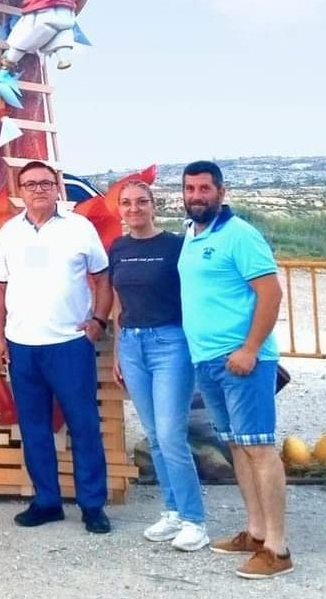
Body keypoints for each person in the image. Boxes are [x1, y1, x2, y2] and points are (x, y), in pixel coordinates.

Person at [177, 160, 293, 579]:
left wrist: (250, 348)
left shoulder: (240, 235)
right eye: (190, 189)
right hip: (208, 362)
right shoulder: (192, 236)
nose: (196, 196)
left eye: (205, 189)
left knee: (259, 447)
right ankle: (256, 532)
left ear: (221, 192)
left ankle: (278, 550)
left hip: (244, 361)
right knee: (238, 447)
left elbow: (270, 293)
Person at [0, 160, 113, 533]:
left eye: (45, 183)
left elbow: (103, 277)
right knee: (35, 427)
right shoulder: (10, 232)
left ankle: (92, 506)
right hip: (23, 346)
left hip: (70, 345)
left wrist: (99, 321)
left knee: (84, 425)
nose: (38, 189)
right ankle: (47, 501)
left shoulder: (79, 228)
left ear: (57, 187)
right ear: (20, 190)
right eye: (30, 184)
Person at [109, 180, 207, 551]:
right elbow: (119, 305)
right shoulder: (118, 248)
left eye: (141, 202)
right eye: (126, 203)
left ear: (154, 205)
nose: (133, 209)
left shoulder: (175, 247)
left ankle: (195, 520)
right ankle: (173, 511)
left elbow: (196, 295)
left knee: (170, 435)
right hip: (133, 344)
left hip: (171, 344)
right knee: (153, 435)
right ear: (119, 209)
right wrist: (119, 350)